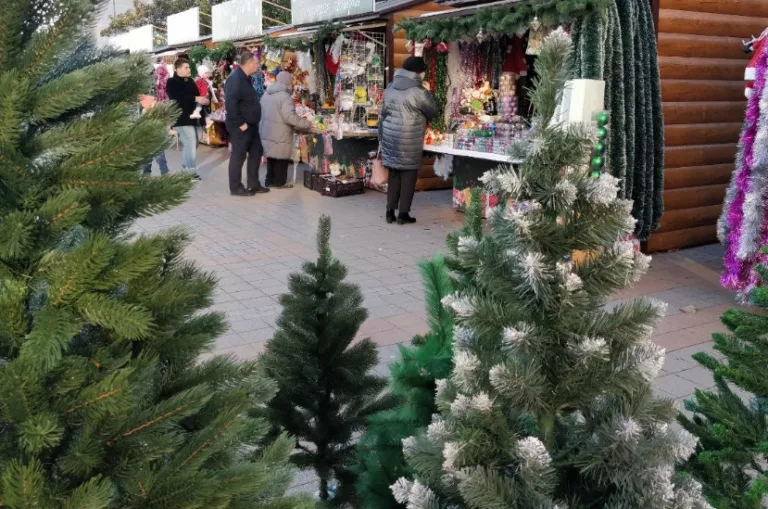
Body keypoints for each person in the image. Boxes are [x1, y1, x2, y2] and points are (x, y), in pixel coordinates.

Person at [379, 56, 438, 225]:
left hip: (391, 137)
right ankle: (403, 214)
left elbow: (384, 112)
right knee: (408, 176)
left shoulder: (391, 87)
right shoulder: (419, 91)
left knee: (394, 174)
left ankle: (390, 212)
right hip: (409, 138)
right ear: (418, 72)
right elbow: (433, 111)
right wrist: (428, 92)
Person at [259, 71, 312, 189]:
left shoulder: (266, 94)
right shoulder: (285, 96)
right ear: (287, 82)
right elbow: (289, 117)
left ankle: (269, 181)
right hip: (280, 132)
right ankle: (279, 182)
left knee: (271, 156)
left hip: (267, 130)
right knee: (281, 157)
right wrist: (306, 124)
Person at [225, 52, 268, 196]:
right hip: (241, 126)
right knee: (239, 155)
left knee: (257, 151)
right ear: (249, 63)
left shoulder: (246, 78)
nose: (258, 65)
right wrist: (240, 123)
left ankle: (253, 184)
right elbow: (230, 104)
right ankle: (235, 187)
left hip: (251, 125)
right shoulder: (235, 79)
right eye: (256, 63)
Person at [166, 58, 208, 181]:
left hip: (195, 118)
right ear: (177, 69)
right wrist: (195, 98)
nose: (189, 69)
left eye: (189, 67)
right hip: (181, 118)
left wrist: (203, 100)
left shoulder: (190, 81)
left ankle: (186, 168)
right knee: (190, 143)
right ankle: (190, 172)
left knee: (193, 144)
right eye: (186, 67)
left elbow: (197, 96)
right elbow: (175, 98)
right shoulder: (171, 82)